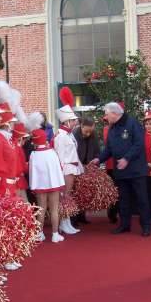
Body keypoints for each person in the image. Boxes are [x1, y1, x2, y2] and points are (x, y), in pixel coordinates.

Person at [91, 102, 151, 237]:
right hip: (121, 171)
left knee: (141, 199)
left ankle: (146, 226)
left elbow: (139, 144)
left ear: (114, 113)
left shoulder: (132, 123)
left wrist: (126, 158)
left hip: (136, 170)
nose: (105, 117)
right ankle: (124, 224)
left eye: (106, 114)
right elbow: (109, 149)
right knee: (123, 199)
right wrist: (99, 159)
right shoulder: (112, 128)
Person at [54, 87, 82, 235]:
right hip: (66, 168)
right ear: (67, 121)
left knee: (68, 196)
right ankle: (63, 223)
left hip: (72, 167)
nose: (75, 122)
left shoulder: (69, 135)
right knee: (65, 196)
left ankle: (67, 222)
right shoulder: (61, 136)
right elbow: (58, 155)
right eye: (73, 120)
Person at [29, 129, 66, 242]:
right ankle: (55, 235)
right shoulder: (52, 152)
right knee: (54, 209)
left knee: (41, 209)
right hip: (54, 184)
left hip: (40, 186)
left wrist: (33, 185)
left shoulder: (33, 154)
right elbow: (59, 168)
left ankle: (40, 234)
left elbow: (31, 172)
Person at [72, 116, 100, 224]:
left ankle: (82, 215)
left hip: (88, 165)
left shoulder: (93, 135)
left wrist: (95, 162)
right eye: (86, 131)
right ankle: (73, 218)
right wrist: (79, 165)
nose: (88, 134)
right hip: (76, 166)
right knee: (75, 192)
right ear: (81, 126)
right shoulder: (74, 135)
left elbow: (97, 150)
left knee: (84, 191)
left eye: (90, 131)